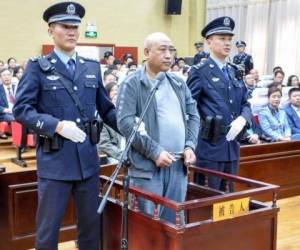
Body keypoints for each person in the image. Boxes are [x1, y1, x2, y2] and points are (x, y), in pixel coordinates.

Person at [12, 2, 118, 249]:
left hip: (88, 164)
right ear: (51, 31)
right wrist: (56, 125)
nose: (72, 32)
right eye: (65, 26)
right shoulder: (38, 68)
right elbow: (21, 110)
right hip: (55, 164)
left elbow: (106, 109)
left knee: (91, 229)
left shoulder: (91, 68)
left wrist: (131, 125)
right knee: (48, 231)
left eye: (75, 27)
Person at [117, 32, 199, 223]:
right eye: (163, 50)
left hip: (178, 166)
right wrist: (155, 152)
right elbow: (125, 122)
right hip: (148, 170)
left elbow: (194, 115)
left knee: (175, 225)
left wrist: (190, 146)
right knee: (148, 227)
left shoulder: (178, 82)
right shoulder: (132, 83)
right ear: (146, 52)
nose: (169, 55)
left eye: (172, 50)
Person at [187, 16, 252, 191]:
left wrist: (243, 120)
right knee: (208, 199)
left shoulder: (234, 71)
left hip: (232, 146)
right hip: (210, 147)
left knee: (229, 197)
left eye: (229, 39)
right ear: (209, 41)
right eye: (222, 39)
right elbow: (189, 108)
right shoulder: (199, 72)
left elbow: (246, 103)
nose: (227, 43)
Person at [97, 82, 124, 163]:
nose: (116, 92)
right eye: (113, 90)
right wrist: (123, 156)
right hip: (113, 157)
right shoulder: (103, 119)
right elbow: (104, 145)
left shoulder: (125, 117)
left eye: (117, 90)